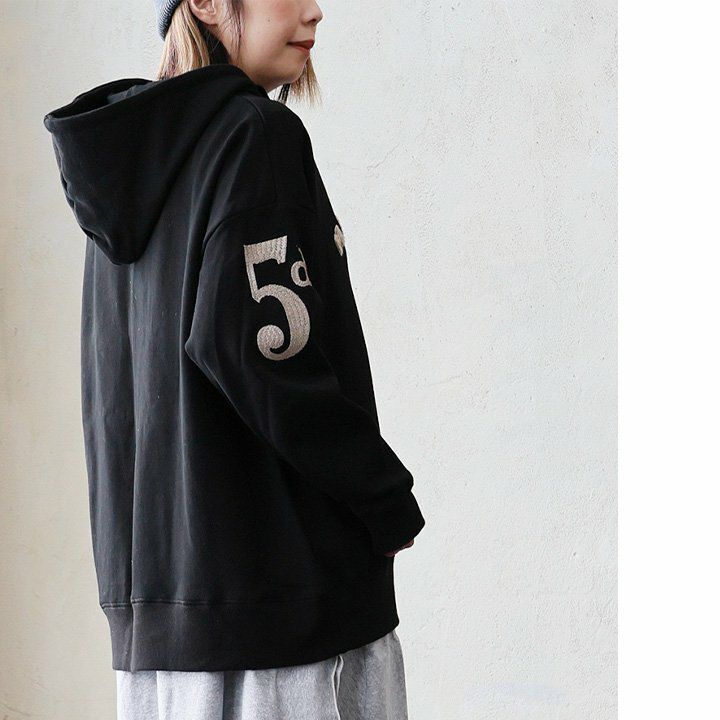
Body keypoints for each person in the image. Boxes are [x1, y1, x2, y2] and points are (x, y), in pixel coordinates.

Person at [42, 0, 427, 717]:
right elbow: (262, 353)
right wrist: (382, 498)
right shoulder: (254, 135)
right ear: (210, 4)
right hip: (288, 616)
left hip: (159, 638)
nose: (314, 10)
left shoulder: (124, 167)